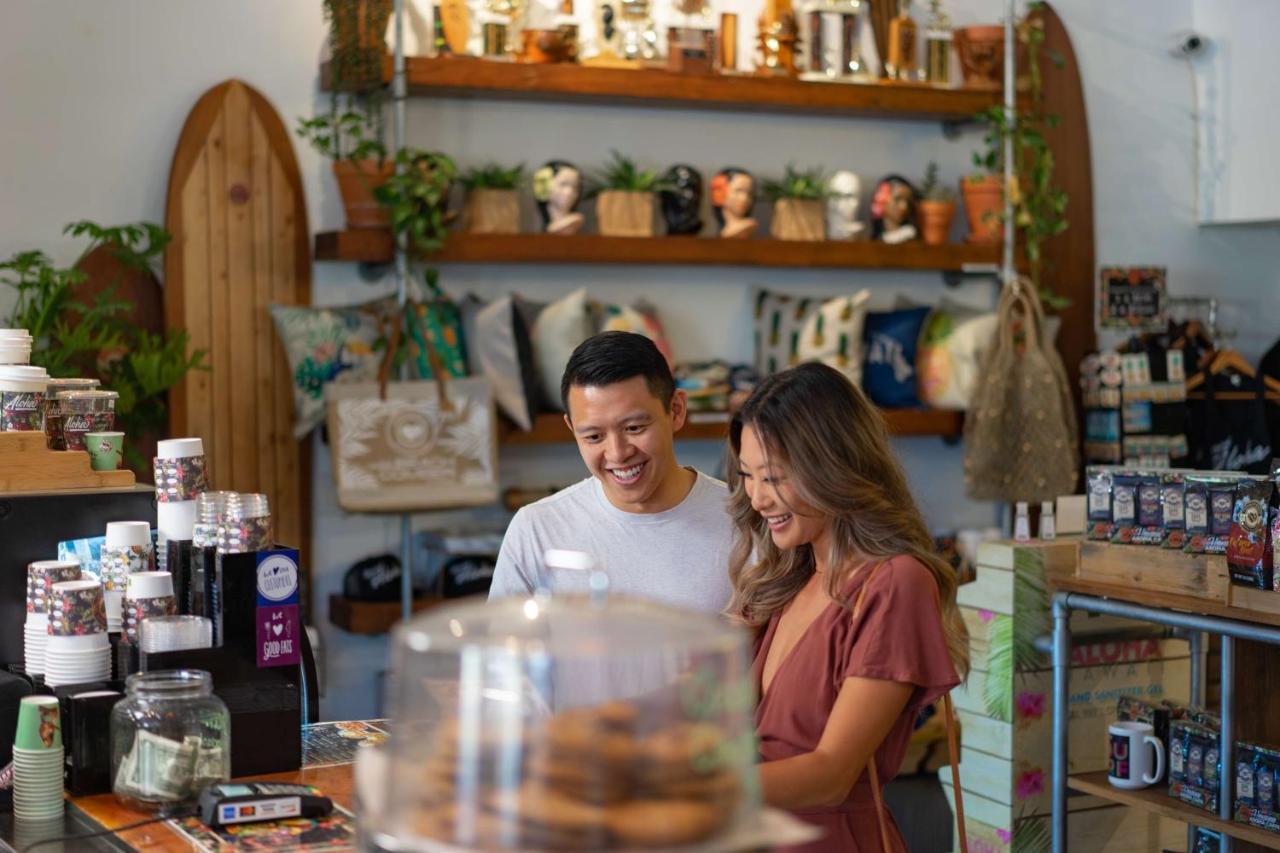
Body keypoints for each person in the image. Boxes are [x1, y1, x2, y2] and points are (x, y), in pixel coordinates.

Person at [726, 362, 968, 851]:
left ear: (831, 467)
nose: (757, 499)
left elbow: (832, 775)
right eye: (748, 477)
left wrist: (692, 791)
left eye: (773, 478)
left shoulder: (895, 582)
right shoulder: (785, 581)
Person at [488, 331, 734, 615]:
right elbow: (500, 652)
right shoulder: (537, 530)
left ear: (676, 410)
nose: (617, 453)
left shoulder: (744, 520)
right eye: (593, 437)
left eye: (634, 428)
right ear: (572, 429)